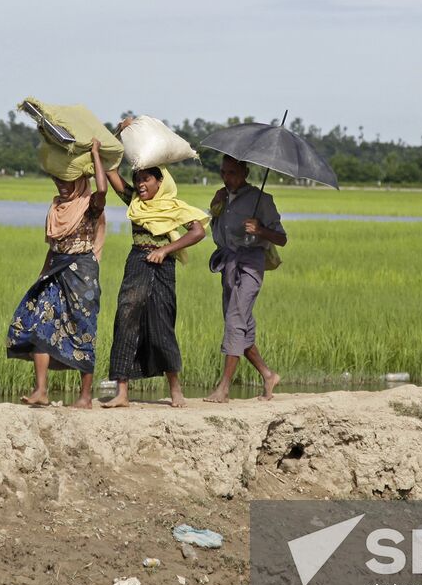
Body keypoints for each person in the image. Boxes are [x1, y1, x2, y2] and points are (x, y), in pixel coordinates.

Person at [100, 129, 210, 408]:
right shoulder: (134, 201)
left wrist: (165, 250)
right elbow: (111, 171)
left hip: (163, 267)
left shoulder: (174, 206)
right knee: (126, 317)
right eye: (137, 179)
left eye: (146, 179)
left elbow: (198, 231)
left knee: (162, 322)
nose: (140, 184)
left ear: (160, 181)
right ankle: (122, 392)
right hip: (137, 262)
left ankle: (175, 390)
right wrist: (119, 134)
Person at [7, 140, 109, 408]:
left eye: (67, 180)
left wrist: (95, 154)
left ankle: (85, 396)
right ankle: (41, 390)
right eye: (58, 180)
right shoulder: (56, 208)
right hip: (55, 270)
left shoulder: (89, 205)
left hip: (82, 273)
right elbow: (53, 248)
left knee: (83, 329)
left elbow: (102, 189)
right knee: (40, 322)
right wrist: (41, 276)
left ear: (80, 181)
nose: (61, 185)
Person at [203, 155, 287, 403]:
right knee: (242, 324)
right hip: (228, 263)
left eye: (232, 173)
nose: (226, 178)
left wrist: (260, 230)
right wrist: (214, 207)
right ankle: (268, 375)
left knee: (235, 319)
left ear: (245, 173)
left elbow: (282, 238)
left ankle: (224, 388)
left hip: (251, 263)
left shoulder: (262, 200)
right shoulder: (222, 196)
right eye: (223, 172)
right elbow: (215, 228)